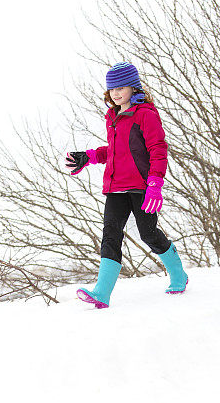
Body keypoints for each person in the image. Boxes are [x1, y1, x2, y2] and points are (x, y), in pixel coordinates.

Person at [65, 61, 188, 307]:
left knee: (148, 233)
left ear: (134, 88)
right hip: (115, 187)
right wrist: (89, 157)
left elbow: (157, 148)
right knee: (110, 235)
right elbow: (115, 151)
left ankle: (178, 274)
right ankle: (102, 293)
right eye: (112, 89)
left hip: (141, 186)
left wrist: (155, 182)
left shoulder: (145, 115)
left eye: (121, 87)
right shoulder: (113, 116)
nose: (116, 93)